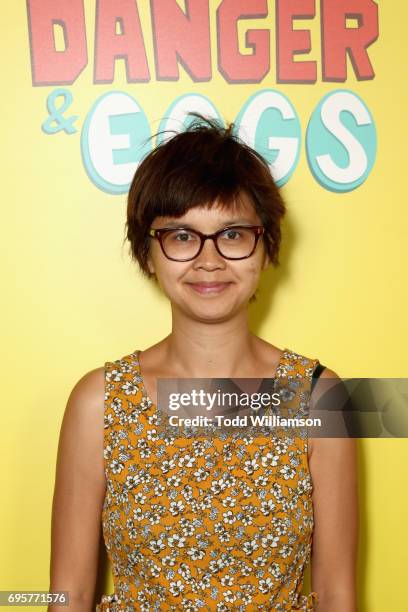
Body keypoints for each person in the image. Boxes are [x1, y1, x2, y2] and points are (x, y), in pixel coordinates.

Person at [48, 117, 358, 611]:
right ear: (148, 252)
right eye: (181, 236)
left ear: (266, 245)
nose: (208, 260)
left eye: (232, 234)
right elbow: (69, 594)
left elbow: (337, 594)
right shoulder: (99, 402)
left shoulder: (320, 398)